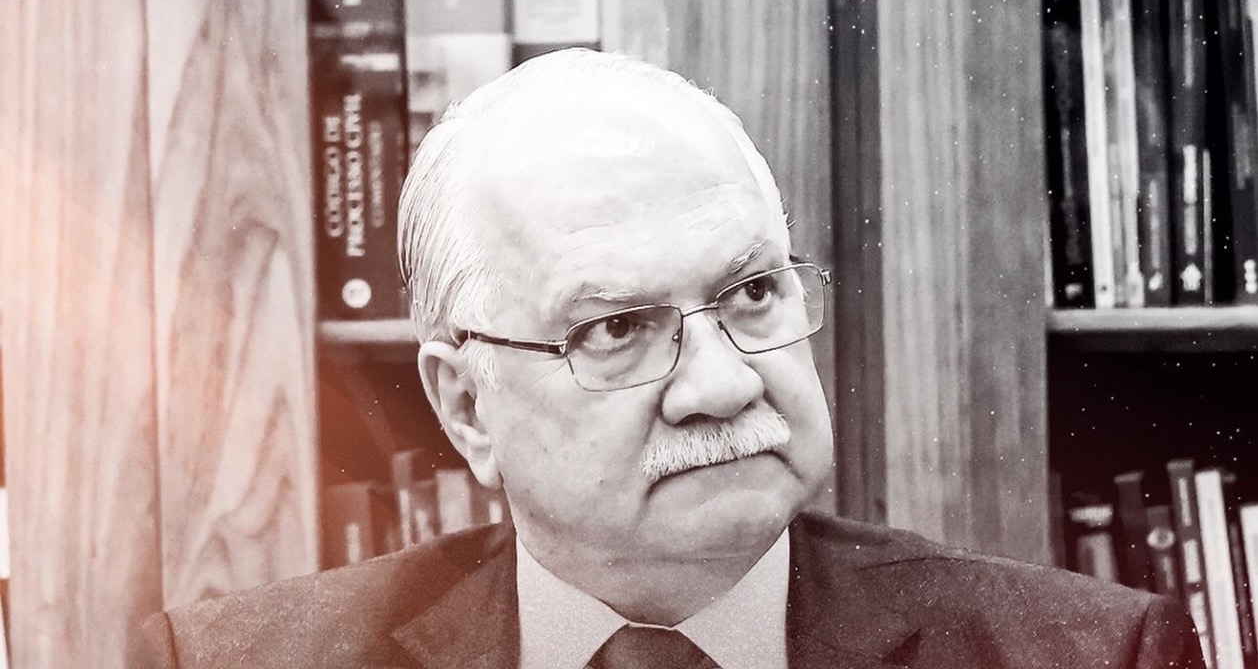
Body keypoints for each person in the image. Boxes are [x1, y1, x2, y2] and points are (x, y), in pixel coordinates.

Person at [141, 48, 1204, 669]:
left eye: (752, 294)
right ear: (466, 406)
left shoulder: (1089, 655)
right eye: (616, 328)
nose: (725, 384)